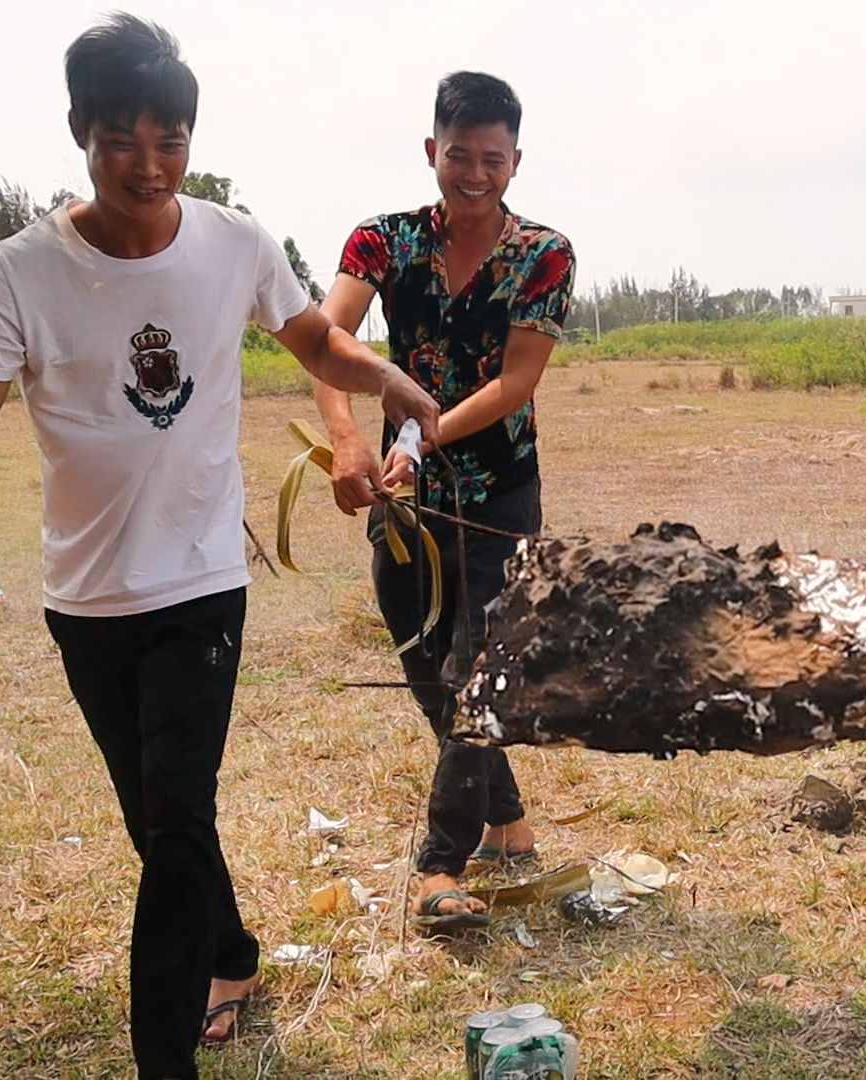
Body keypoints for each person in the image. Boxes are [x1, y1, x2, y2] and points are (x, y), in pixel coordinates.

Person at [0, 16, 438, 1078]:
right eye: (124, 138)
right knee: (157, 812)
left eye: (172, 138)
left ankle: (164, 1057)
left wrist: (382, 379)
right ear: (80, 132)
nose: (151, 164)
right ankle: (234, 953)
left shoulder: (236, 242)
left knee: (172, 819)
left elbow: (312, 338)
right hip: (85, 596)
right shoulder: (18, 274)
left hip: (203, 582)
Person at [314, 71, 575, 932]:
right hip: (404, 503)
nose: (474, 174)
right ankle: (506, 820)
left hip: (498, 495)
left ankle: (438, 866)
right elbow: (328, 340)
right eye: (458, 156)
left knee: (477, 670)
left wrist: (417, 435)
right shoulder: (381, 242)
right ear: (433, 152)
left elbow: (515, 383)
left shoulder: (545, 254)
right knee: (425, 661)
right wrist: (350, 439)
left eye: (492, 160)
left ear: (515, 161)